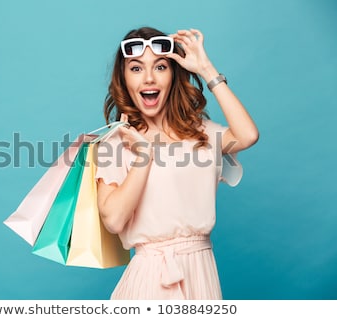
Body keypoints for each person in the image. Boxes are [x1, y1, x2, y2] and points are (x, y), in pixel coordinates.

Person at [95, 26, 259, 300]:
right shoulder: (118, 142)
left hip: (202, 273)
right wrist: (143, 156)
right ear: (124, 79)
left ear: (173, 74)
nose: (148, 78)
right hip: (151, 281)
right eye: (136, 69)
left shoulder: (201, 133)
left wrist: (206, 69)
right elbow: (113, 219)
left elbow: (248, 135)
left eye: (160, 67)